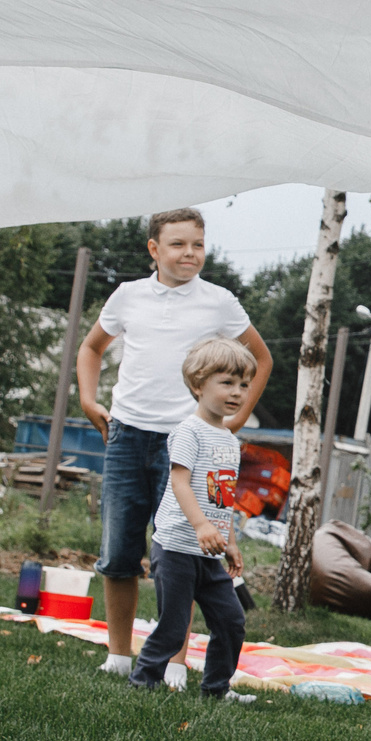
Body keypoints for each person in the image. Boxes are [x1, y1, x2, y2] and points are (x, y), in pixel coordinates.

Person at [77, 209, 273, 658]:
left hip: (188, 443)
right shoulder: (128, 296)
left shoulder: (219, 301)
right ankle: (119, 656)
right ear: (154, 249)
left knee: (183, 556)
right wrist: (89, 401)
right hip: (126, 435)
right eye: (178, 244)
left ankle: (174, 663)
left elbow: (261, 359)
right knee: (119, 552)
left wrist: (237, 417)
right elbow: (91, 347)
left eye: (198, 245)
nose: (190, 253)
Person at [121, 337, 257, 700]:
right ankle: (143, 681)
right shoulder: (188, 431)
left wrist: (229, 540)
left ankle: (216, 689)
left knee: (231, 621)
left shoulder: (229, 440)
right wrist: (200, 526)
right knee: (174, 624)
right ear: (198, 385)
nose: (237, 393)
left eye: (244, 385)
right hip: (178, 547)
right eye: (226, 383)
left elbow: (223, 496)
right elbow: (179, 481)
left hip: (211, 554)